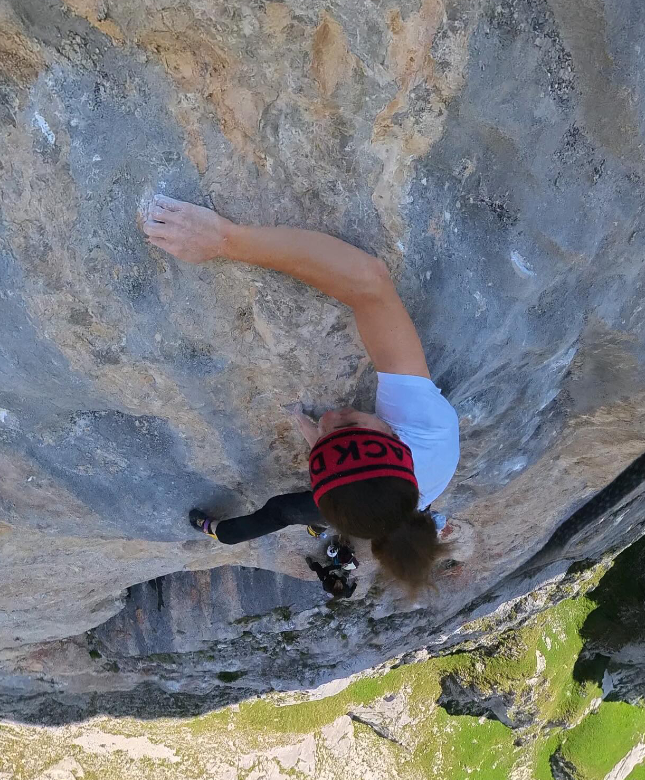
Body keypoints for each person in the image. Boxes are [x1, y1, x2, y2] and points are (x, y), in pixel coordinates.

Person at [142, 195, 460, 590]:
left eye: (326, 438)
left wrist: (318, 433)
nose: (329, 418)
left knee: (281, 510)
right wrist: (226, 240)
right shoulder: (429, 427)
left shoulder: (357, 495)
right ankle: (224, 534)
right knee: (283, 510)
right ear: (396, 436)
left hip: (353, 493)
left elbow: (347, 458)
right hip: (361, 485)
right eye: (351, 423)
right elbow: (369, 282)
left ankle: (223, 533)